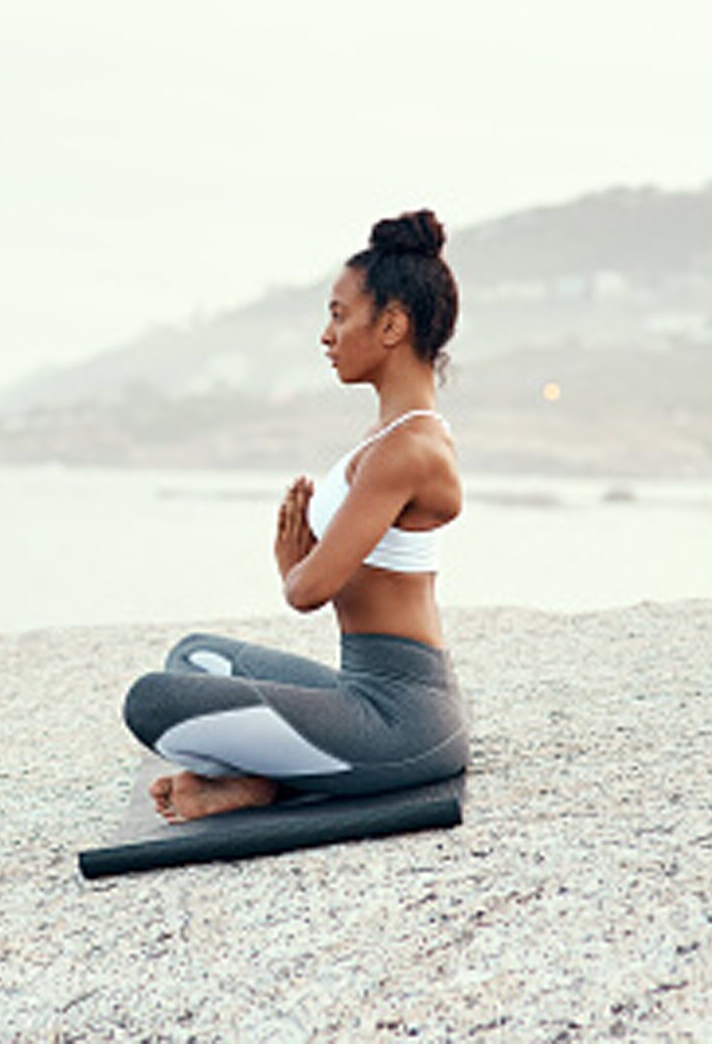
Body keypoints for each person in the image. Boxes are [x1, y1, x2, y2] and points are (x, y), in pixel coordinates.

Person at [123, 209, 468, 822]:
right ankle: (260, 774)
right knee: (194, 655)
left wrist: (293, 565)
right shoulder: (386, 435)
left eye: (339, 315)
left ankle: (261, 779)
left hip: (404, 723)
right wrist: (305, 561)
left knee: (151, 703)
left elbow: (309, 590)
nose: (326, 335)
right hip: (357, 687)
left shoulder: (409, 449)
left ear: (391, 325)